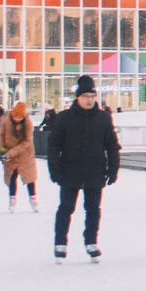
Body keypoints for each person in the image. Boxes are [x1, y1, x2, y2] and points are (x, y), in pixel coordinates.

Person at [46, 74, 120, 261]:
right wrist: (54, 169)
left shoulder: (103, 118)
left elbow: (112, 145)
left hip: (95, 171)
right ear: (78, 97)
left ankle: (91, 242)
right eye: (85, 96)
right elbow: (54, 145)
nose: (89, 100)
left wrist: (113, 168)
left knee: (93, 209)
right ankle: (60, 242)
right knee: (66, 208)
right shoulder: (64, 118)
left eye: (92, 96)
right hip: (70, 170)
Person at [0, 101, 40, 212]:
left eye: (19, 118)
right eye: (15, 117)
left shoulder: (28, 123)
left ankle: (33, 199)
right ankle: (12, 199)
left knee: (29, 177)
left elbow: (26, 142)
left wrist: (9, 154)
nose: (17, 119)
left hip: (25, 153)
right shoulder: (5, 120)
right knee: (12, 176)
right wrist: (0, 150)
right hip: (9, 151)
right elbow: (1, 136)